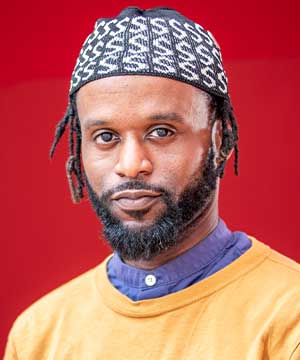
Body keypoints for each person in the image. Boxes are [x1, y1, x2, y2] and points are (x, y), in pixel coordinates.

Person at [4, 6, 300, 359]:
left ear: (219, 141)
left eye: (161, 132)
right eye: (105, 136)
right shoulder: (38, 335)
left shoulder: (287, 318)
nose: (131, 166)